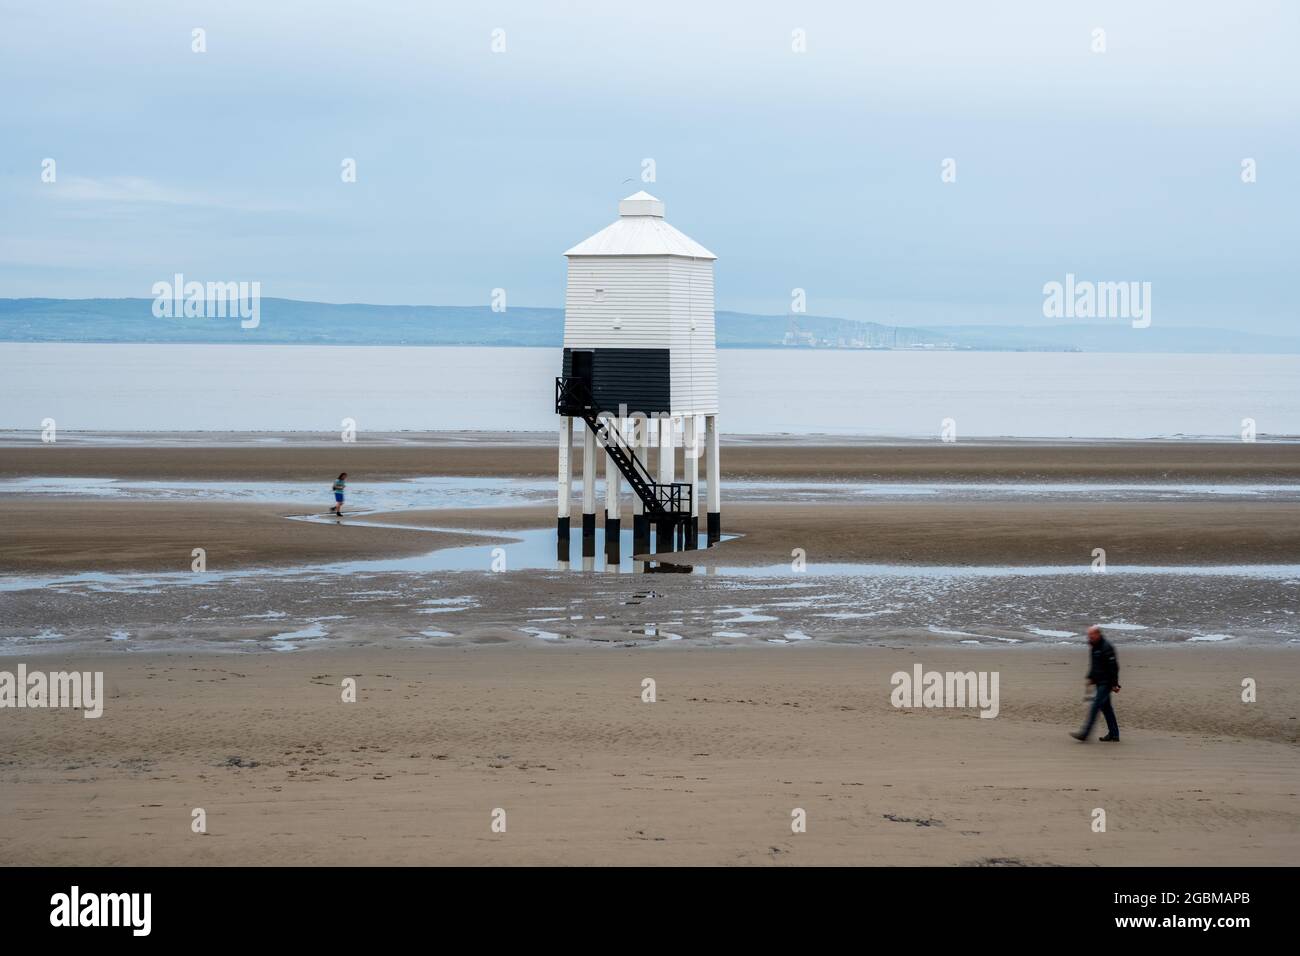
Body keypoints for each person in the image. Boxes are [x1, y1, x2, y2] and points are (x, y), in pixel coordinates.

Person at [1071, 625, 1120, 742]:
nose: (1089, 638)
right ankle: (1114, 734)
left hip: (1106, 683)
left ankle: (1085, 733)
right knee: (1107, 709)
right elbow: (1094, 665)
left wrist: (1114, 684)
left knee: (1095, 706)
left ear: (1097, 634)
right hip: (1099, 681)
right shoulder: (1094, 646)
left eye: (1091, 635)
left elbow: (1114, 667)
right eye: (1089, 635)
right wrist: (1090, 678)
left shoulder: (1107, 647)